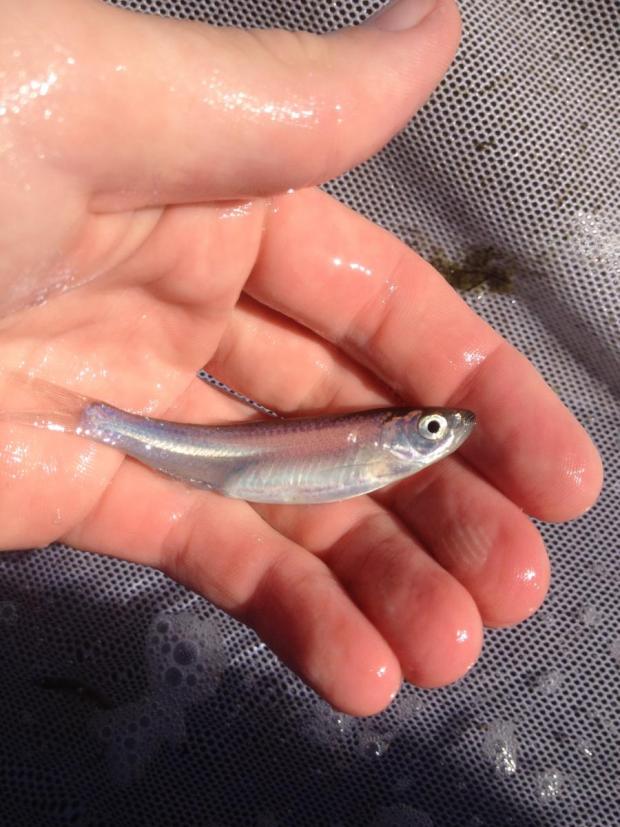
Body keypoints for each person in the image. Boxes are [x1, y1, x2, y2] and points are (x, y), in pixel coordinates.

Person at [0, 0, 602, 716]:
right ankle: (92, 420)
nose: (439, 432)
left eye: (432, 427)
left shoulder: (385, 453)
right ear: (402, 430)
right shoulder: (384, 450)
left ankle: (92, 420)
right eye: (431, 427)